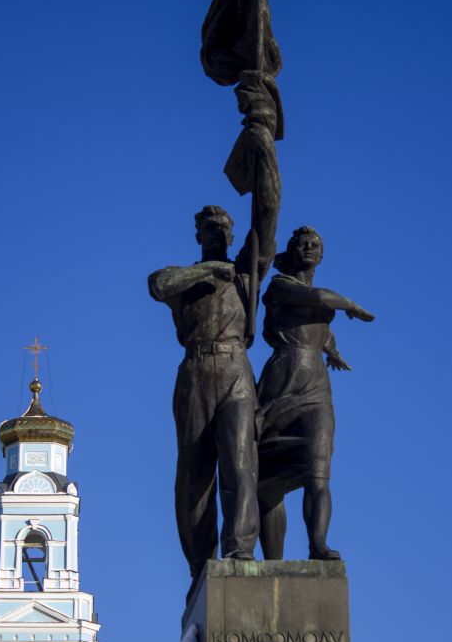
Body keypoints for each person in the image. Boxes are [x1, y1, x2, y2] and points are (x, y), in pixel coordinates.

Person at [148, 75, 281, 593]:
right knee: (194, 480)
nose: (223, 236)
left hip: (235, 372)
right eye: (214, 231)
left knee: (240, 466)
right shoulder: (190, 278)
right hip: (195, 373)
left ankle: (239, 553)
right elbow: (158, 285)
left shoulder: (247, 271)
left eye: (227, 231)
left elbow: (267, 210)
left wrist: (263, 141)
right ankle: (198, 567)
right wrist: (209, 272)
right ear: (200, 237)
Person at [256, 226, 374, 560]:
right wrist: (350, 305)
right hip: (282, 381)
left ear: (321, 255)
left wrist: (332, 350)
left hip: (317, 389)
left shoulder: (303, 292)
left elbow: (319, 330)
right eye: (302, 243)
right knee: (267, 483)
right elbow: (319, 301)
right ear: (290, 252)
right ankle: (273, 563)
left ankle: (318, 545)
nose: (308, 247)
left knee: (318, 469)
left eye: (315, 245)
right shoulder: (280, 286)